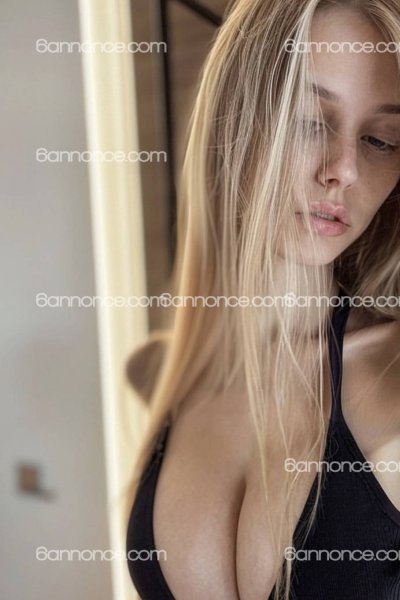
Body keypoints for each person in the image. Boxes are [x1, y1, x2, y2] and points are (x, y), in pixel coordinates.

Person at [125, 0, 400, 598]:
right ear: (232, 115)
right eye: (309, 120)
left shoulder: (390, 377)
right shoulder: (162, 373)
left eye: (381, 140)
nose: (344, 170)